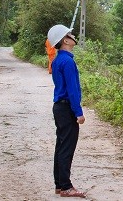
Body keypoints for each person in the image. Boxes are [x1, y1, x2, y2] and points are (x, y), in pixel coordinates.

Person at [47, 24, 86, 198]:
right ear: (65, 40)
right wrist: (78, 112)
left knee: (61, 145)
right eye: (69, 34)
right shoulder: (68, 61)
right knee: (67, 148)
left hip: (59, 107)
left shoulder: (57, 60)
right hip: (67, 107)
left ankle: (59, 184)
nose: (72, 36)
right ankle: (66, 186)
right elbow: (72, 90)